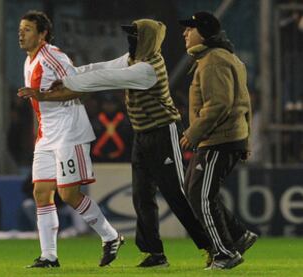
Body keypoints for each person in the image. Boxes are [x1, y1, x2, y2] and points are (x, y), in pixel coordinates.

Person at [19, 18, 214, 267]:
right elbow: (102, 67)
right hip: (140, 133)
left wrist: (57, 87)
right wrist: (75, 74)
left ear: (147, 39)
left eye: (135, 36)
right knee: (141, 196)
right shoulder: (131, 58)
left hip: (161, 132)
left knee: (175, 193)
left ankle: (213, 245)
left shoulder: (148, 67)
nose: (131, 40)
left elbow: (106, 79)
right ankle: (153, 254)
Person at [17, 11, 124, 268]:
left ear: (42, 34)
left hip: (69, 132)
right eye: (20, 29)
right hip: (46, 137)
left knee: (68, 194)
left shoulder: (53, 56)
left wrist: (41, 96)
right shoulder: (28, 61)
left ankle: (111, 237)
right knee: (41, 193)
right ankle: (49, 256)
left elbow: (82, 88)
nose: (21, 33)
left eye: (28, 29)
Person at [178, 11, 258, 269]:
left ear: (203, 31)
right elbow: (245, 103)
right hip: (224, 137)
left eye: (190, 29)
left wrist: (193, 133)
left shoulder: (213, 60)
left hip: (218, 139)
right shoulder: (221, 57)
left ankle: (226, 253)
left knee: (200, 195)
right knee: (195, 191)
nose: (185, 33)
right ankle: (237, 236)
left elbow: (219, 104)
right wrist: (245, 141)